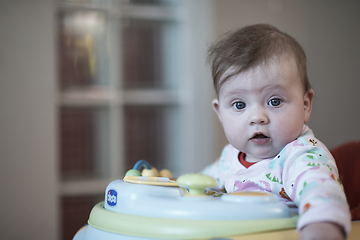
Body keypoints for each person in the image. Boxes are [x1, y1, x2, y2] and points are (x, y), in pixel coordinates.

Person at [202, 24, 351, 240]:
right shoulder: (229, 157)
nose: (257, 117)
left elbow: (321, 193)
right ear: (220, 113)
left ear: (305, 105)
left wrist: (322, 227)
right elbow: (200, 185)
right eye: (239, 105)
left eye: (274, 101)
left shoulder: (301, 156)